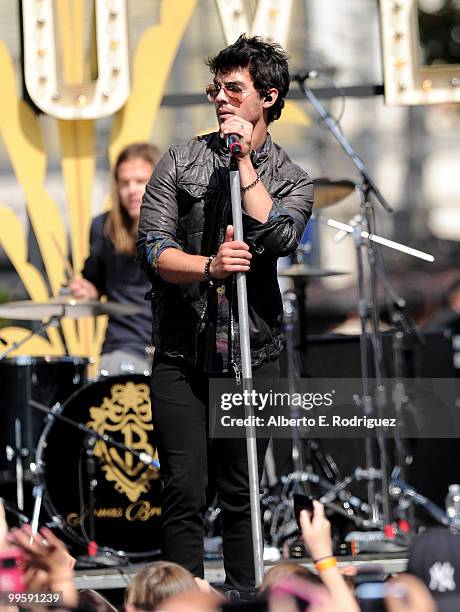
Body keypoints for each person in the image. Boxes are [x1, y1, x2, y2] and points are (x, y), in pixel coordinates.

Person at [136, 34, 313, 597]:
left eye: (235, 90)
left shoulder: (292, 177)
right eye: (218, 89)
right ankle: (181, 603)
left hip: (249, 355)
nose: (222, 99)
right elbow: (153, 249)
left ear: (268, 97)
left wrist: (243, 163)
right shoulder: (180, 159)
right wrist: (210, 266)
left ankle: (242, 597)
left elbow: (280, 234)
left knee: (241, 493)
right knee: (184, 491)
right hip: (181, 355)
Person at [70, 143, 161, 374]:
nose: (131, 190)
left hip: (173, 345)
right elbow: (94, 283)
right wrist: (87, 290)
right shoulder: (103, 227)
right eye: (124, 183)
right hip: (123, 345)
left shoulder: (181, 226)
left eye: (141, 181)